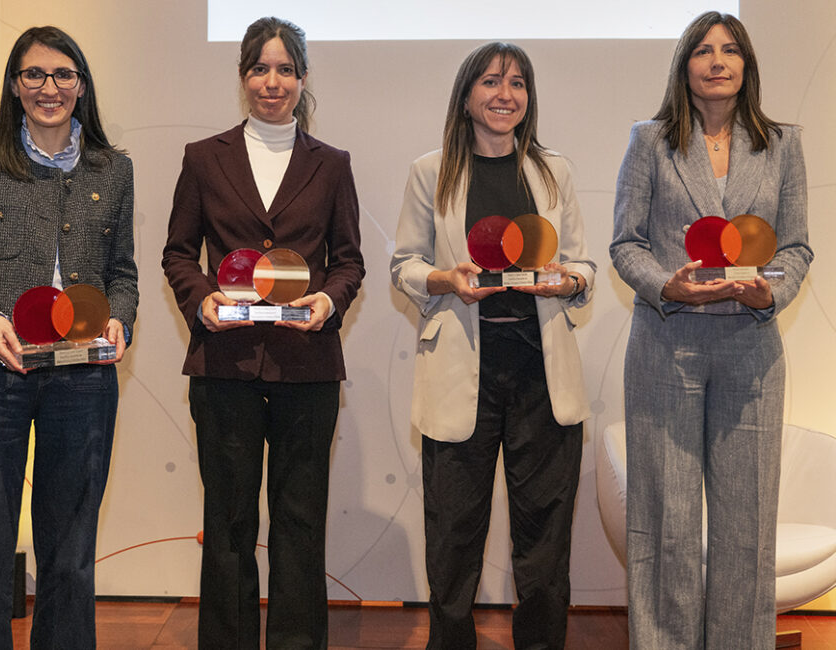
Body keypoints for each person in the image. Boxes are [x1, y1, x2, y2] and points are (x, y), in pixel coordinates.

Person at [0, 25, 137, 648]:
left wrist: (120, 316)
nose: (50, 88)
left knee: (70, 552)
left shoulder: (113, 168)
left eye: (63, 75)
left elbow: (121, 276)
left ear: (82, 85)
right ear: (16, 87)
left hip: (84, 380)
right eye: (34, 75)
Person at [610, 11, 812, 649]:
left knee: (745, 525)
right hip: (668, 345)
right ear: (684, 65)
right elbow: (626, 243)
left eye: (730, 50)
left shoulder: (783, 143)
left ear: (747, 64)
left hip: (751, 350)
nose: (717, 61)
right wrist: (667, 284)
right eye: (703, 50)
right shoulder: (650, 140)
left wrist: (769, 290)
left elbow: (798, 248)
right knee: (666, 520)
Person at [162, 16, 364, 650]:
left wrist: (328, 303)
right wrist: (202, 299)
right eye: (259, 68)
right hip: (225, 363)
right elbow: (176, 253)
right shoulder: (203, 158)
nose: (271, 82)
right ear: (242, 75)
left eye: (284, 69)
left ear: (302, 79)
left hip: (307, 366)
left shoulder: (331, 164)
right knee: (227, 521)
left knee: (301, 521)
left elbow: (350, 260)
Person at [390, 42, 595, 649]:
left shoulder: (554, 171)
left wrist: (571, 278)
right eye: (491, 82)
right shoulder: (432, 171)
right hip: (462, 373)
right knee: (453, 539)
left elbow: (582, 263)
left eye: (517, 84)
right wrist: (444, 279)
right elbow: (404, 264)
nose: (505, 94)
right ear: (467, 95)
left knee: (545, 545)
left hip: (542, 374)